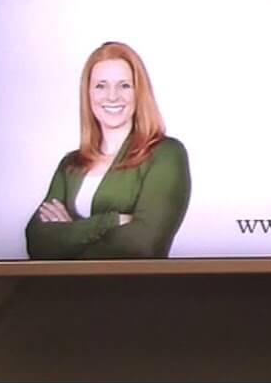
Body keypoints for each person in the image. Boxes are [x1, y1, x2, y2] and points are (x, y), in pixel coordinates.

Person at [25, 41, 191, 260]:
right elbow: (37, 243)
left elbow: (143, 245)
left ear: (139, 92)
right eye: (100, 86)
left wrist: (68, 234)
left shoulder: (166, 154)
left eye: (124, 85)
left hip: (137, 283)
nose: (112, 96)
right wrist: (110, 222)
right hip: (68, 284)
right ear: (88, 93)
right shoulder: (71, 165)